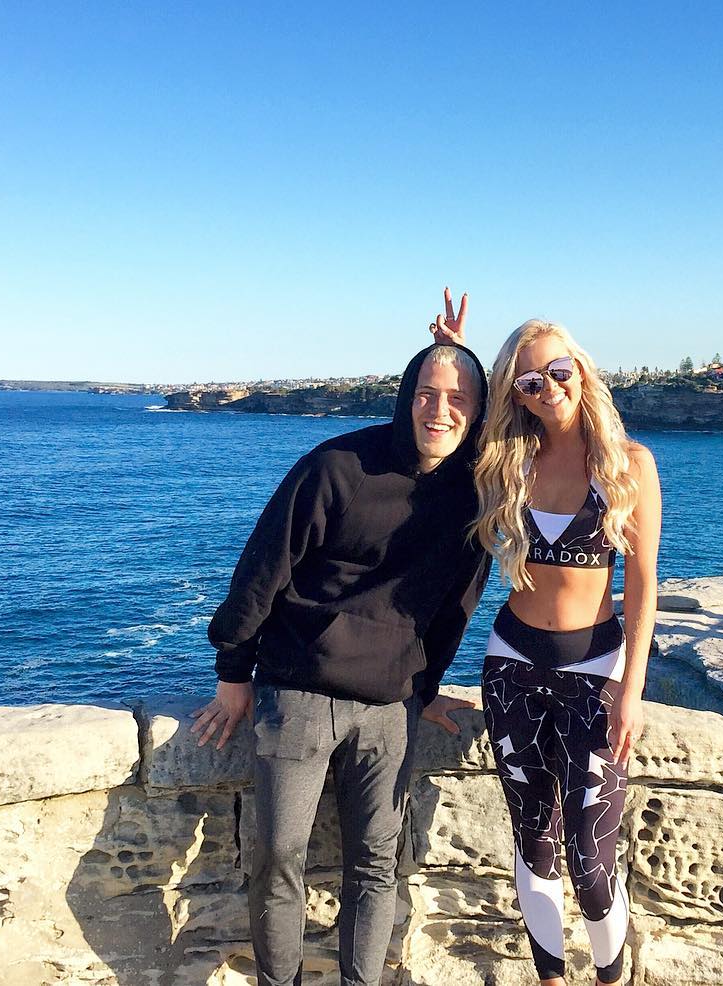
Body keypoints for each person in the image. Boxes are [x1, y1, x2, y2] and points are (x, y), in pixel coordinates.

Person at [190, 290, 490, 986]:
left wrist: (428, 690)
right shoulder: (336, 468)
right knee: (278, 857)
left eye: (458, 398)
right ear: (404, 395)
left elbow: (456, 606)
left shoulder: (478, 492)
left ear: (477, 412)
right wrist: (233, 671)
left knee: (376, 866)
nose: (438, 410)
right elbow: (263, 569)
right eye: (425, 391)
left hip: (391, 707)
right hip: (296, 693)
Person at [469, 319, 661, 986]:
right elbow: (435, 427)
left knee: (591, 855)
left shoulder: (628, 465)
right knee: (534, 843)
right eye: (529, 380)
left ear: (580, 372)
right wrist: (449, 351)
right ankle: (550, 981)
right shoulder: (508, 463)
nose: (547, 387)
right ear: (516, 394)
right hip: (511, 668)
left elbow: (642, 589)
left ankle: (612, 980)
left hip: (595, 670)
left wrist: (632, 693)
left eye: (557, 371)